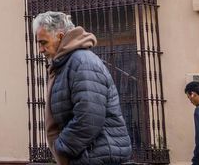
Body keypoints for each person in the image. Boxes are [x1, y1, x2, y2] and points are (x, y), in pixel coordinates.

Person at [34, 11, 131, 165]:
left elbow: (88, 117)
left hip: (97, 158)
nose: (40, 49)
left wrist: (62, 148)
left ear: (60, 36)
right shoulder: (66, 63)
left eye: (43, 42)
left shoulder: (82, 62)